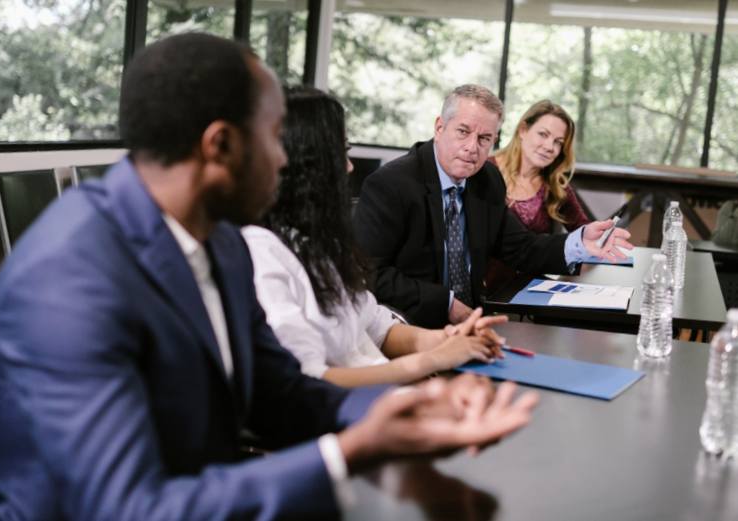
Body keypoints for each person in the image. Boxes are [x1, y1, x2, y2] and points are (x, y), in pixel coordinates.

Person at [0, 34, 539, 520]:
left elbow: (281, 392)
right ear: (220, 145)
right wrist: (348, 453)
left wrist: (402, 413)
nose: (285, 159)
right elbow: (126, 509)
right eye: (274, 137)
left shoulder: (221, 242)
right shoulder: (69, 279)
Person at [243, 86, 506, 388]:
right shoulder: (260, 254)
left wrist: (448, 339)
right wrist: (431, 361)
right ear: (303, 163)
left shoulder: (316, 244)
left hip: (388, 392)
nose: (350, 167)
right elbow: (306, 380)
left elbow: (378, 325)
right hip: (354, 412)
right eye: (340, 153)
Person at [353, 84, 630, 329]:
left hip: (477, 323)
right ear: (439, 127)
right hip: (410, 325)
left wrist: (578, 243)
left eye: (485, 139)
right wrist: (447, 304)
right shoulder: (391, 184)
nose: (472, 147)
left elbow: (520, 247)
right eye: (463, 132)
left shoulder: (486, 179)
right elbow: (370, 274)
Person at [485, 100, 590, 291]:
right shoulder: (485, 171)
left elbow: (585, 231)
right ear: (523, 130)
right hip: (483, 291)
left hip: (530, 292)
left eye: (558, 142)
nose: (550, 146)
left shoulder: (556, 188)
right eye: (543, 134)